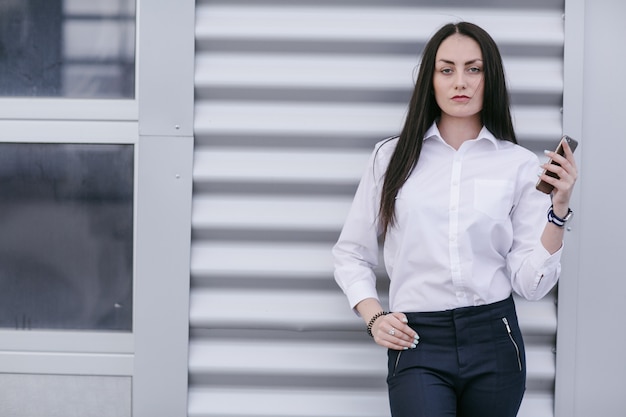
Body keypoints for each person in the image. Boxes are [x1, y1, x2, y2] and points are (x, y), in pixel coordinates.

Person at [332, 21, 577, 417]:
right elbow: (351, 254)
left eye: (473, 69)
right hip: (417, 340)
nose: (460, 81)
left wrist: (559, 208)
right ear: (430, 79)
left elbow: (531, 285)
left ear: (490, 77)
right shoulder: (391, 158)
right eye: (447, 69)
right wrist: (373, 316)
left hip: (495, 340)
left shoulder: (517, 164)